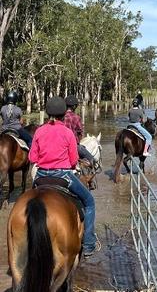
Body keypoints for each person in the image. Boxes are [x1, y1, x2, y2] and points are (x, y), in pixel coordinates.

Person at [29, 96, 100, 257]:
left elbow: (32, 158)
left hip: (40, 176)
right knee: (89, 201)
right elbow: (74, 160)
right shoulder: (67, 132)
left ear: (47, 113)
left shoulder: (40, 130)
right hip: (63, 175)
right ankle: (88, 244)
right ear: (63, 113)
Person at [63, 96, 97, 168]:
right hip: (73, 145)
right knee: (92, 160)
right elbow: (80, 133)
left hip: (61, 145)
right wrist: (78, 142)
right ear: (74, 106)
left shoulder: (61, 117)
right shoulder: (76, 117)